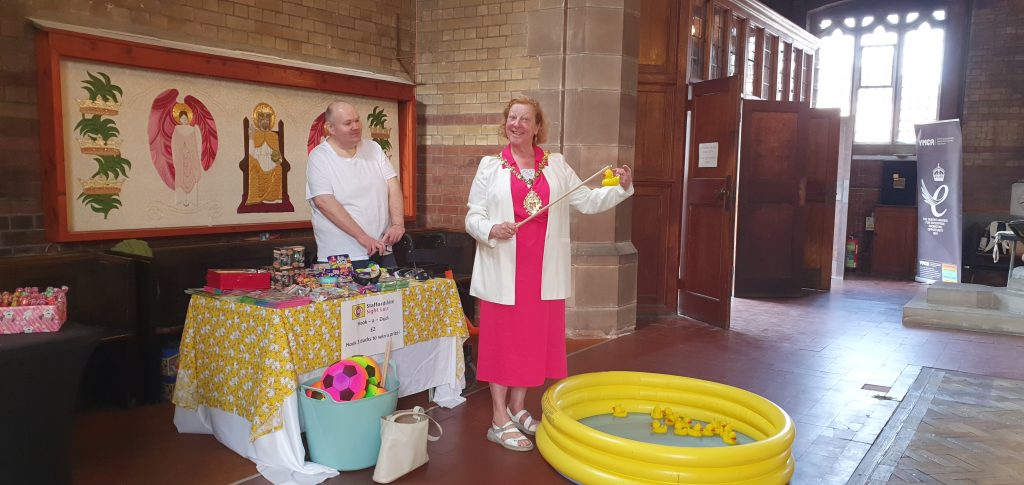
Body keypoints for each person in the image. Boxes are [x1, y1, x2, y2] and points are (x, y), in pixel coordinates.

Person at [465, 96, 633, 451]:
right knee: (501, 344)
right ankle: (497, 419)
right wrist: (492, 229)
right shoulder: (490, 166)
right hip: (504, 271)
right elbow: (472, 216)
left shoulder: (555, 164)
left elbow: (585, 200)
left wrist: (618, 188)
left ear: (538, 126)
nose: (517, 124)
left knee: (529, 343)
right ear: (505, 123)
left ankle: (516, 407)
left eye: (526, 119)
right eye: (512, 118)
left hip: (543, 272)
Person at [306, 101, 405, 267]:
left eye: (357, 120)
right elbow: (324, 202)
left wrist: (398, 224)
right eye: (348, 123)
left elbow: (393, 186)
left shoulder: (374, 148)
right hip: (342, 256)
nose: (355, 126)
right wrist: (363, 237)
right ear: (331, 128)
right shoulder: (319, 157)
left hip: (382, 249)